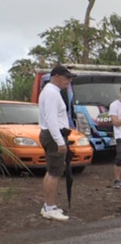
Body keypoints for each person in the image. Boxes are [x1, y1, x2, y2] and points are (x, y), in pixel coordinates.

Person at [38, 65, 76, 221]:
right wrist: (60, 142)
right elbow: (52, 120)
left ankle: (49, 205)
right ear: (57, 76)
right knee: (55, 173)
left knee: (52, 171)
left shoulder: (51, 92)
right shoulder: (52, 94)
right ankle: (50, 207)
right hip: (55, 135)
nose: (69, 81)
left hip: (53, 134)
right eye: (67, 78)